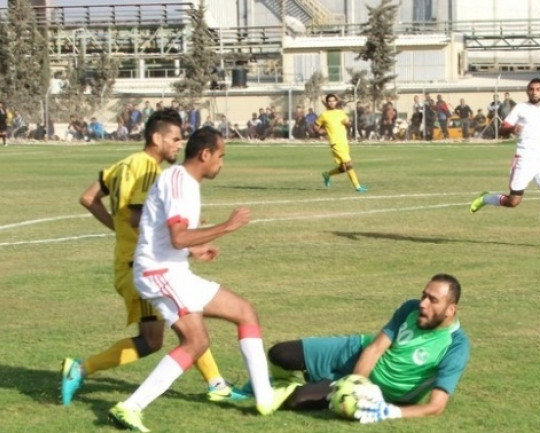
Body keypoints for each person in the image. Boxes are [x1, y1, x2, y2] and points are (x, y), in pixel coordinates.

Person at [108, 127, 295, 432]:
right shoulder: (180, 182)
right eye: (221, 156)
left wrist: (195, 249)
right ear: (205, 154)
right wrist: (227, 226)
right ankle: (130, 407)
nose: (222, 163)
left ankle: (264, 398)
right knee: (195, 341)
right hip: (159, 275)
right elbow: (178, 236)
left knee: (244, 312)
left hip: (172, 271)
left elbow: (163, 233)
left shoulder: (184, 182)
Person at [61, 110, 243, 408]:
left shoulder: (123, 163)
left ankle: (216, 383)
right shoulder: (147, 168)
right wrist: (177, 225)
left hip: (134, 259)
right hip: (144, 265)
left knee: (187, 316)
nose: (178, 144)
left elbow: (89, 197)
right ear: (156, 138)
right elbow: (135, 215)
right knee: (154, 339)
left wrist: (118, 228)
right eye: (174, 138)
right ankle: (81, 369)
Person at [263, 273, 469, 422]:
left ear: (451, 310)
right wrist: (356, 383)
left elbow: (435, 407)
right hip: (356, 351)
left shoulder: (456, 346)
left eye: (433, 300)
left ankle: (285, 388)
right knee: (280, 353)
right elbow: (375, 349)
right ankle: (282, 381)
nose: (423, 304)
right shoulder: (410, 309)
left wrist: (389, 411)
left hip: (377, 394)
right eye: (424, 295)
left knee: (297, 400)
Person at [469, 78, 540, 249]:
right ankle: (487, 198)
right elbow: (503, 128)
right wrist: (512, 129)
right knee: (513, 202)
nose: (534, 92)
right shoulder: (520, 108)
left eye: (538, 89)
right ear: (528, 91)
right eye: (531, 89)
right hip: (524, 159)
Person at [314, 94, 366, 192]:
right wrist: (322, 132)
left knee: (343, 168)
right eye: (329, 101)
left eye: (333, 100)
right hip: (335, 143)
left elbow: (348, 124)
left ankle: (327, 174)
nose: (332, 102)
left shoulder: (341, 113)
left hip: (344, 142)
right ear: (327, 103)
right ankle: (357, 186)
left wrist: (348, 124)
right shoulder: (324, 115)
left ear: (336, 101)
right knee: (349, 164)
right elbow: (316, 126)